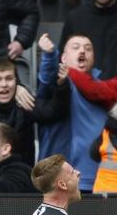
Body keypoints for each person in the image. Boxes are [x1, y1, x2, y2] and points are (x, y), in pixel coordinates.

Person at [36, 32, 107, 193]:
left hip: (92, 176)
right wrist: (49, 55)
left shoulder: (102, 89)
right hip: (55, 177)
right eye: (76, 47)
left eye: (88, 49)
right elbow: (46, 79)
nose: (82, 51)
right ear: (63, 58)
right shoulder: (57, 82)